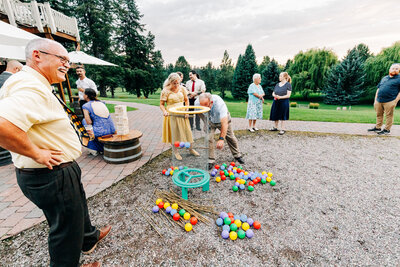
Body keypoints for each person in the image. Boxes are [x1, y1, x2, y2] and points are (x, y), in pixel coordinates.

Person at [0, 38, 110, 267]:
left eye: (68, 61)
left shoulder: (35, 83)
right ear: (37, 55)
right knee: (64, 229)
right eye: (62, 58)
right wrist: (36, 153)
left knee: (76, 207)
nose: (67, 65)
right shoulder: (29, 86)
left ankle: (88, 239)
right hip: (50, 172)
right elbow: (2, 125)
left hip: (60, 170)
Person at [196, 93, 244, 169]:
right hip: (210, 121)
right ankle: (210, 159)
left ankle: (237, 155)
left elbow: (224, 123)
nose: (204, 107)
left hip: (222, 120)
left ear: (211, 102)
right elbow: (199, 113)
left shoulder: (219, 103)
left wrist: (221, 139)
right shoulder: (197, 103)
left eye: (206, 105)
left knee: (230, 137)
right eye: (202, 106)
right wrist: (206, 122)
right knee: (208, 138)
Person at [160, 73, 199, 160]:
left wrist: (187, 111)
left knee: (187, 131)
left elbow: (186, 100)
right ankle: (176, 152)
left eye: (178, 83)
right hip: (172, 114)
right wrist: (164, 111)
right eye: (174, 83)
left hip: (182, 113)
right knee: (174, 133)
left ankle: (191, 149)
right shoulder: (165, 91)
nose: (176, 85)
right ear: (170, 82)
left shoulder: (182, 89)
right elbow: (161, 105)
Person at [368, 63, 400, 135]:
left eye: (397, 69)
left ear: (399, 70)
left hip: (390, 100)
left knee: (389, 115)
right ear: (389, 70)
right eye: (393, 68)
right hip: (379, 100)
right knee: (379, 114)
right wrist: (375, 99)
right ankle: (378, 127)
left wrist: (395, 101)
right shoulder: (384, 78)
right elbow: (378, 88)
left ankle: (387, 130)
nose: (394, 70)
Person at [82, 88, 116, 156]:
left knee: (84, 122)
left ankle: (94, 149)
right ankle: (100, 147)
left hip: (100, 132)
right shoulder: (102, 103)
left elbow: (88, 122)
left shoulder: (86, 106)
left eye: (84, 94)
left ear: (86, 96)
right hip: (112, 129)